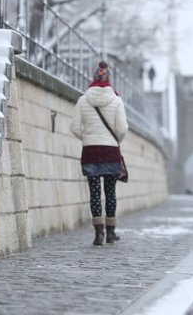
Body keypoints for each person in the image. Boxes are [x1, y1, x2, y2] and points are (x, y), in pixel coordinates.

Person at [70, 61, 128, 246]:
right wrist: (115, 140)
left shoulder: (83, 100)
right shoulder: (117, 100)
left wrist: (87, 137)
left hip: (90, 151)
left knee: (94, 193)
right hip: (110, 151)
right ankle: (111, 233)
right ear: (108, 78)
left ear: (93, 78)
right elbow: (122, 129)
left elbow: (74, 128)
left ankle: (98, 234)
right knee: (110, 192)